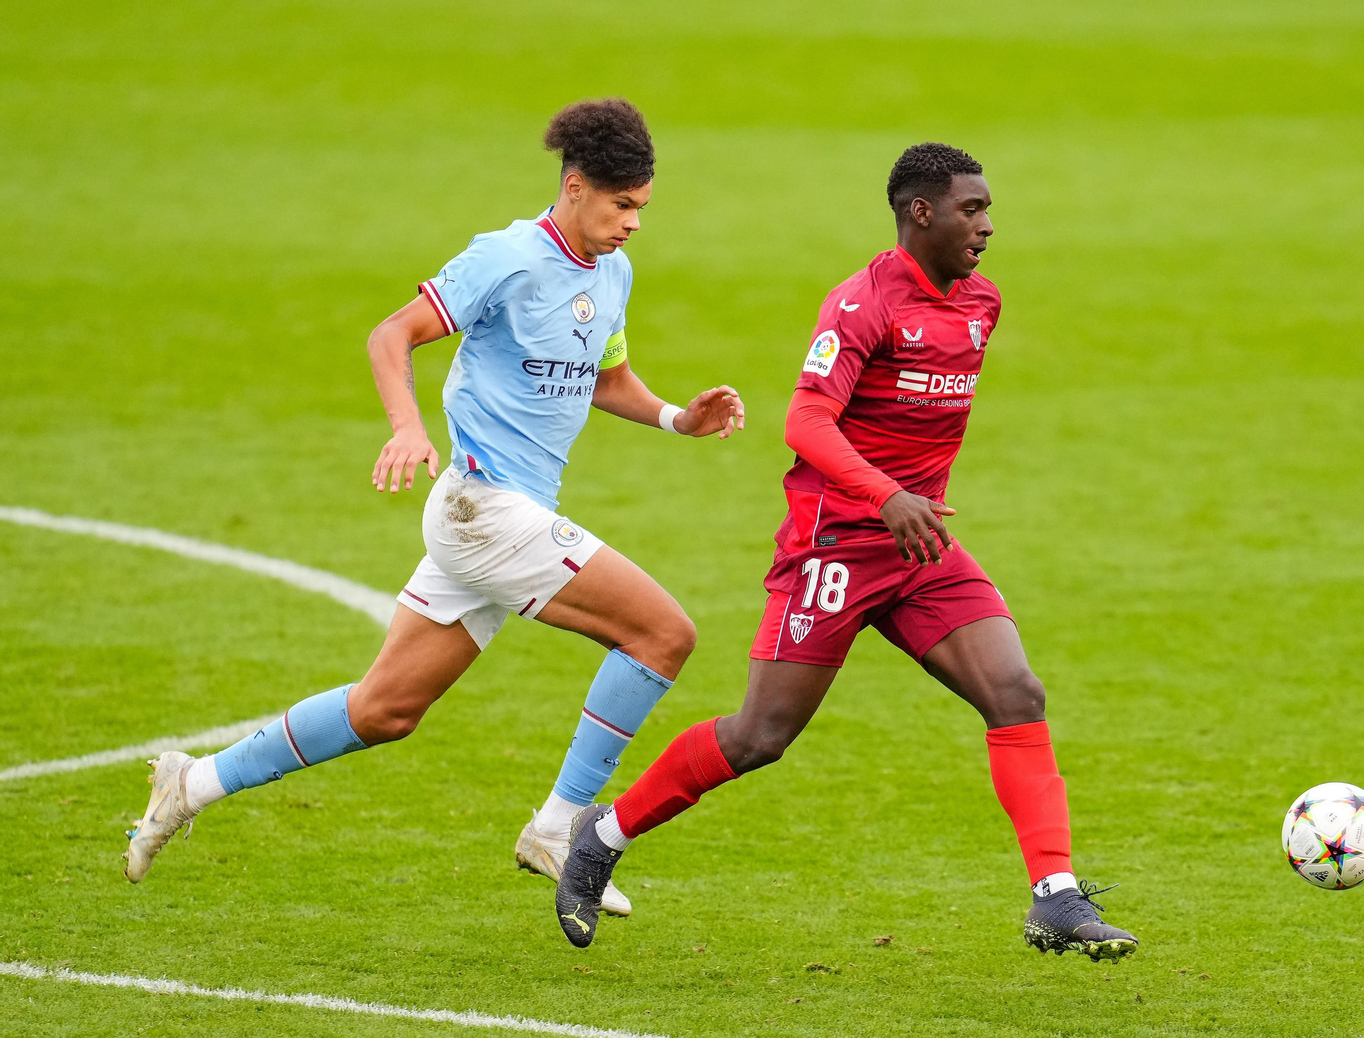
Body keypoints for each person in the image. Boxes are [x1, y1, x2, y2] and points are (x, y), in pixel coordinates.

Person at [122, 98, 745, 921]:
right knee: (664, 634)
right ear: (574, 187)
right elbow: (393, 335)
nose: (634, 224)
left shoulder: (613, 274)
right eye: (622, 205)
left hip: (502, 518)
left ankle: (191, 782)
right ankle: (561, 826)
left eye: (643, 208)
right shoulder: (508, 257)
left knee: (385, 710)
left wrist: (675, 417)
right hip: (483, 511)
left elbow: (601, 376)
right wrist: (408, 429)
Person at [553, 142, 1137, 961]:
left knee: (1016, 691)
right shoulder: (861, 305)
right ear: (920, 213)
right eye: (973, 210)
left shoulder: (981, 303)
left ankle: (1057, 899)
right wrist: (886, 497)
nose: (988, 227)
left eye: (989, 209)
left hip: (921, 546)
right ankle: (601, 834)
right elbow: (805, 422)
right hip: (837, 546)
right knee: (760, 736)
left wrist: (911, 508)